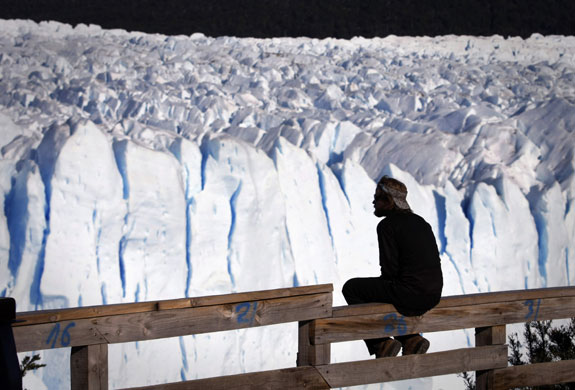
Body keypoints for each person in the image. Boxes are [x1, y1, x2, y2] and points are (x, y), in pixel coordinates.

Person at [342, 176, 443, 358]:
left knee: (352, 288)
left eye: (378, 197)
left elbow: (390, 270)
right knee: (387, 289)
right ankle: (411, 339)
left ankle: (380, 343)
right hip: (433, 295)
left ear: (388, 200)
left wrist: (381, 288)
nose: (374, 201)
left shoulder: (387, 225)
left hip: (410, 295)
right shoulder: (421, 222)